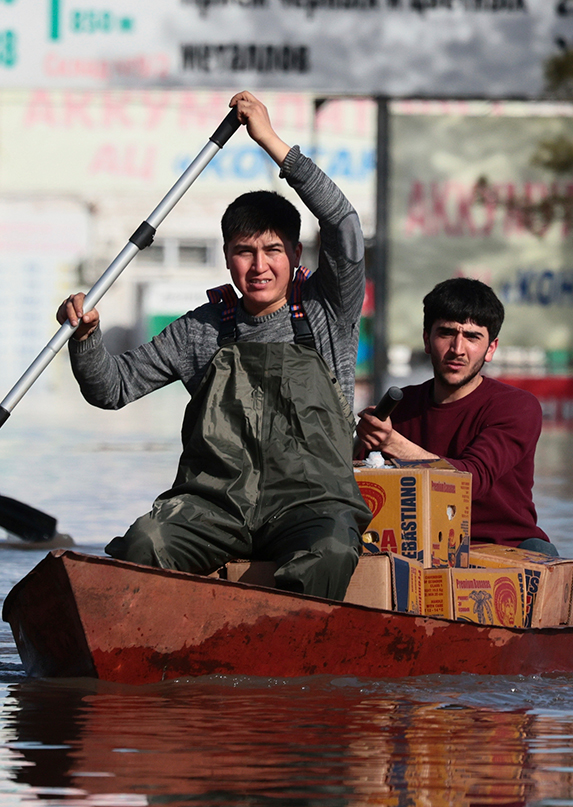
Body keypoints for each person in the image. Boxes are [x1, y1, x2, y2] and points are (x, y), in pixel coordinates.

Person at [57, 91, 371, 600]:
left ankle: (291, 658)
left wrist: (270, 142)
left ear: (295, 254)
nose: (259, 266)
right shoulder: (201, 329)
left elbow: (344, 225)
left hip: (312, 505)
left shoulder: (327, 309)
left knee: (332, 549)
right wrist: (87, 338)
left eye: (273, 250)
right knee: (147, 541)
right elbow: (111, 390)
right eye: (244, 252)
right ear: (227, 258)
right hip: (217, 507)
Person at [354, 278, 557, 555]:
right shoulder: (399, 406)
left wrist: (392, 443)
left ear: (491, 349)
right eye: (446, 333)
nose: (457, 349)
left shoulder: (518, 406)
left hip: (503, 549)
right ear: (427, 339)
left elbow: (472, 481)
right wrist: (359, 444)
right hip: (416, 548)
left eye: (472, 337)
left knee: (541, 552)